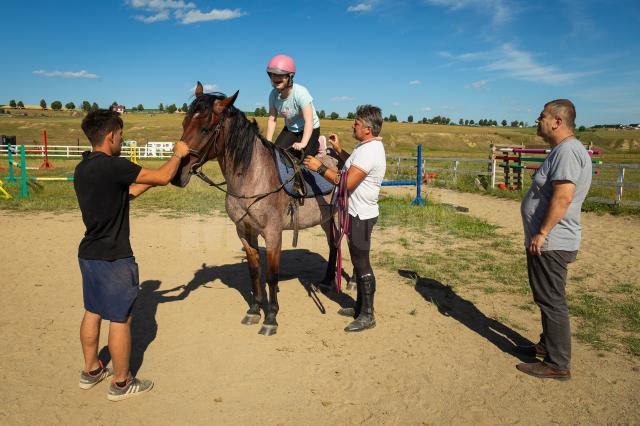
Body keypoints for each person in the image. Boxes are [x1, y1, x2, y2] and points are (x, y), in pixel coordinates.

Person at [74, 109, 189, 401]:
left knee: (93, 311)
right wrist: (177, 154)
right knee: (121, 318)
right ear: (111, 135)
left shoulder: (84, 167)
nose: (122, 141)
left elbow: (127, 194)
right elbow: (164, 176)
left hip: (89, 253)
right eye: (121, 135)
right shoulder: (114, 166)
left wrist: (151, 181)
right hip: (115, 256)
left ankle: (90, 371)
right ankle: (122, 383)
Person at [516, 99, 592, 380]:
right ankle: (547, 345)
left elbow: (564, 196)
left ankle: (557, 363)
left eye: (542, 116)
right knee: (546, 296)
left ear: (557, 121)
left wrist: (542, 232)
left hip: (553, 241)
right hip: (551, 240)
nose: (538, 120)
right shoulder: (562, 150)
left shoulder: (568, 151)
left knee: (551, 300)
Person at [303, 105, 386, 332]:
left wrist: (319, 167)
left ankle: (367, 315)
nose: (353, 124)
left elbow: (346, 182)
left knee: (361, 264)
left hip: (361, 216)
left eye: (357, 123)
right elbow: (355, 167)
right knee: (359, 263)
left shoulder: (370, 151)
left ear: (368, 128)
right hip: (357, 212)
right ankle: (360, 307)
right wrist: (339, 150)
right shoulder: (366, 147)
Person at [265, 54, 322, 159]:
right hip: (291, 129)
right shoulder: (273, 95)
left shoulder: (301, 93)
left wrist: (303, 143)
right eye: (272, 75)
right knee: (277, 156)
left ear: (290, 76)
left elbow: (309, 121)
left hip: (310, 128)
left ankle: (318, 144)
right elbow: (272, 119)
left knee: (304, 160)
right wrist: (268, 141)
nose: (275, 78)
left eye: (280, 75)